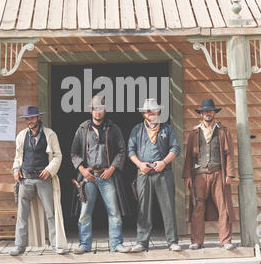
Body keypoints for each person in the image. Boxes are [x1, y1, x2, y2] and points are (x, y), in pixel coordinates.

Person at [71, 95, 131, 254]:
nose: (97, 112)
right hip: (89, 177)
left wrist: (112, 168)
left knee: (114, 212)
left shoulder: (113, 128)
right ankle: (84, 244)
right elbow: (74, 153)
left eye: (100, 109)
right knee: (84, 213)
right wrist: (83, 170)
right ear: (90, 111)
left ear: (105, 110)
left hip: (107, 176)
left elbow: (121, 151)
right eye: (94, 109)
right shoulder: (83, 129)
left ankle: (116, 244)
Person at [10, 106, 67, 256]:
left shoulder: (50, 134)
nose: (30, 121)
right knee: (22, 214)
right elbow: (17, 157)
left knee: (50, 213)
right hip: (26, 179)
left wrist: (49, 170)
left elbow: (58, 155)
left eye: (32, 118)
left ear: (38, 118)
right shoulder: (21, 136)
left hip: (43, 179)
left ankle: (56, 245)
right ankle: (19, 246)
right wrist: (16, 169)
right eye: (27, 118)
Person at [128, 98, 181, 252]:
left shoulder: (167, 129)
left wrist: (164, 162)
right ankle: (142, 242)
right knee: (143, 209)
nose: (150, 113)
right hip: (144, 173)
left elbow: (176, 148)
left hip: (163, 173)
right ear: (143, 114)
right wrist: (140, 164)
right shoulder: (137, 130)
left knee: (168, 208)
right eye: (147, 111)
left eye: (152, 110)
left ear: (158, 111)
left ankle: (172, 241)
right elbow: (130, 151)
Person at [182, 99, 236, 250]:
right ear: (201, 114)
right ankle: (196, 241)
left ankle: (226, 241)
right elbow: (188, 157)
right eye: (205, 111)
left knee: (223, 207)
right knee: (198, 207)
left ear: (214, 113)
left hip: (219, 173)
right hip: (199, 174)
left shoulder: (222, 131)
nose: (208, 113)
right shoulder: (194, 133)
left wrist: (230, 174)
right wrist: (187, 175)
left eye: (210, 111)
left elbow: (229, 153)